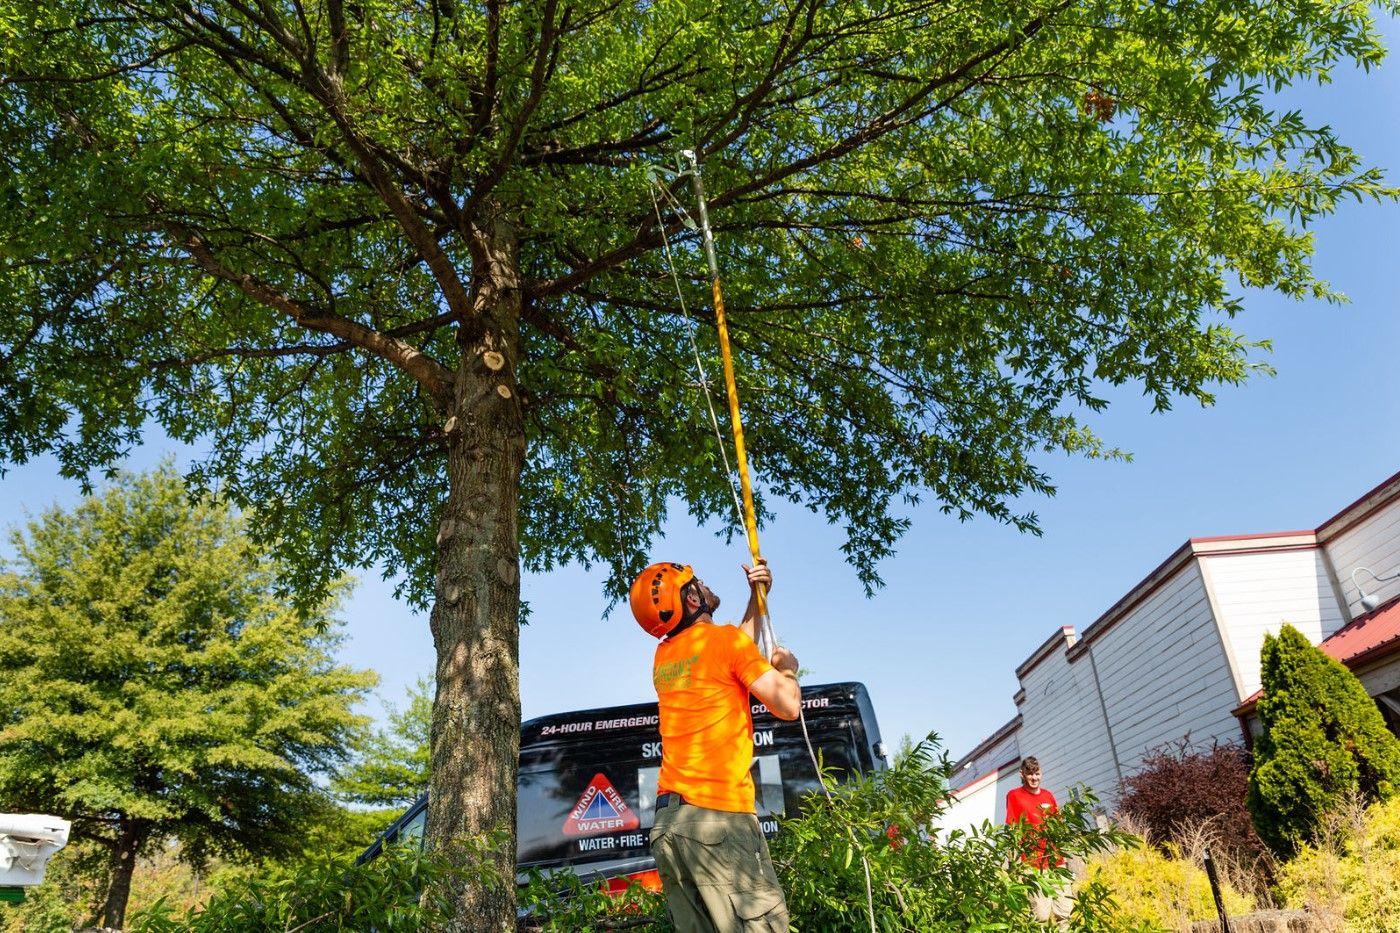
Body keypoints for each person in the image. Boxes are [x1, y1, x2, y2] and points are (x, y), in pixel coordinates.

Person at [630, 559, 801, 933]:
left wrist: (758, 598)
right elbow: (788, 705)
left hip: (672, 828)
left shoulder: (666, 657)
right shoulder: (724, 644)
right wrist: (788, 668)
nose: (704, 586)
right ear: (691, 598)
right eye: (698, 583)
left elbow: (730, 653)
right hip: (718, 820)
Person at [1005, 757, 1073, 930]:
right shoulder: (1014, 796)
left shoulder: (1048, 796)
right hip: (1033, 863)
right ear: (1022, 774)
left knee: (1065, 912)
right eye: (1030, 774)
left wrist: (1064, 857)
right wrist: (1014, 861)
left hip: (1056, 861)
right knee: (1040, 914)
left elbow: (1058, 827)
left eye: (1037, 773)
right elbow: (1011, 828)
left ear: (1041, 773)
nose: (1034, 778)